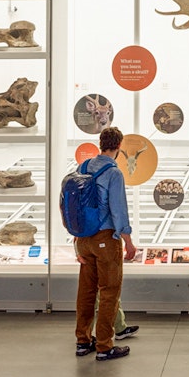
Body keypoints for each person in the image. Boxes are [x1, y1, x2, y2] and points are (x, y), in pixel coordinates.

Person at [74, 126, 137, 361]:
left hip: (83, 238)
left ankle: (83, 341)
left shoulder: (83, 167)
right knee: (109, 291)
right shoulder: (114, 172)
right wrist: (128, 241)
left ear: (101, 144)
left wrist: (76, 235)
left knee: (86, 291)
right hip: (105, 238)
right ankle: (104, 345)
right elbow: (118, 210)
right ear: (118, 147)